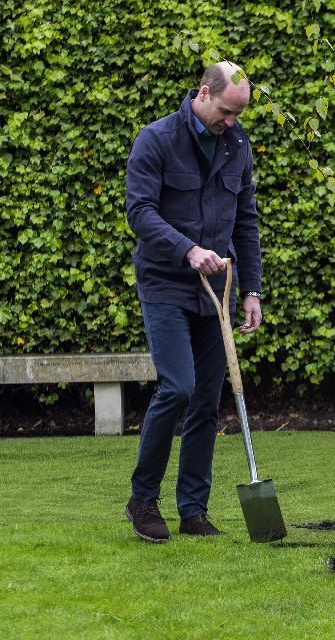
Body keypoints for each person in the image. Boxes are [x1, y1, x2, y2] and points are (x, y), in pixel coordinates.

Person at [123, 61, 264, 542]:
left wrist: (251, 290)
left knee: (207, 400)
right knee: (178, 387)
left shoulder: (237, 143)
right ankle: (143, 499)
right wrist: (187, 248)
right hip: (166, 281)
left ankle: (193, 511)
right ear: (204, 94)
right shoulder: (157, 139)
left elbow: (245, 219)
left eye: (238, 115)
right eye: (226, 112)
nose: (232, 122)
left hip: (218, 287)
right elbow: (139, 212)